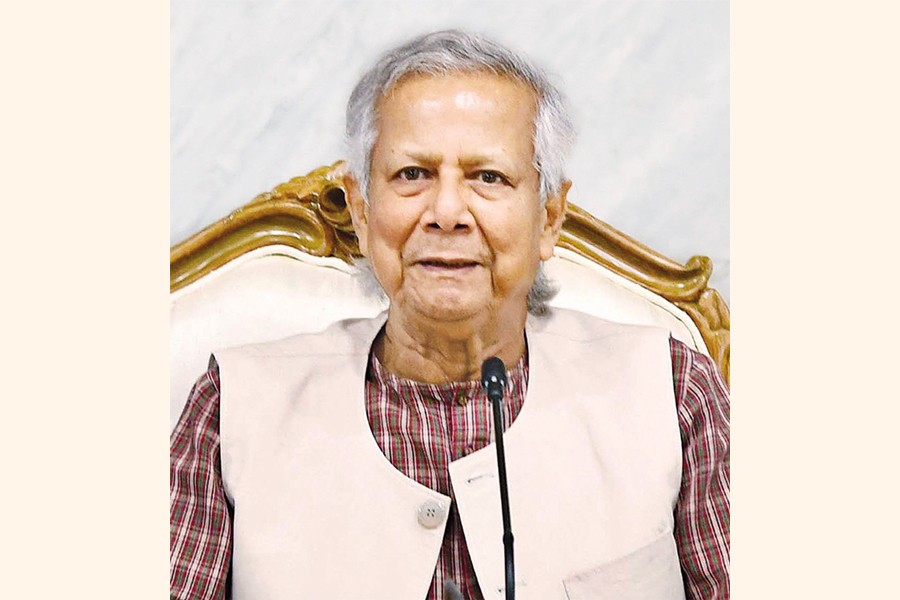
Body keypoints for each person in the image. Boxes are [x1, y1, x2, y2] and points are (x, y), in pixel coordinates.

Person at [170, 30, 729, 600]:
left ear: (549, 217)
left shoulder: (672, 390)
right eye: (412, 174)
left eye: (489, 177)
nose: (446, 212)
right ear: (360, 211)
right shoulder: (230, 407)